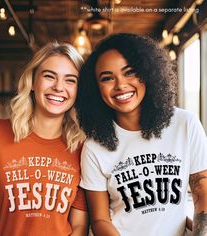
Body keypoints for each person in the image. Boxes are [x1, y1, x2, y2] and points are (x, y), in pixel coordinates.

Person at [75, 33, 207, 236]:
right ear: (95, 88)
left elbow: (202, 192)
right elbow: (100, 219)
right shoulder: (94, 147)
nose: (120, 85)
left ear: (148, 73)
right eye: (107, 78)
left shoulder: (185, 124)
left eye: (130, 72)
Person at [0, 42, 88, 236]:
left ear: (78, 91)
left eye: (70, 80)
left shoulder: (82, 149)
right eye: (49, 76)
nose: (59, 87)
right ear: (33, 82)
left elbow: (79, 226)